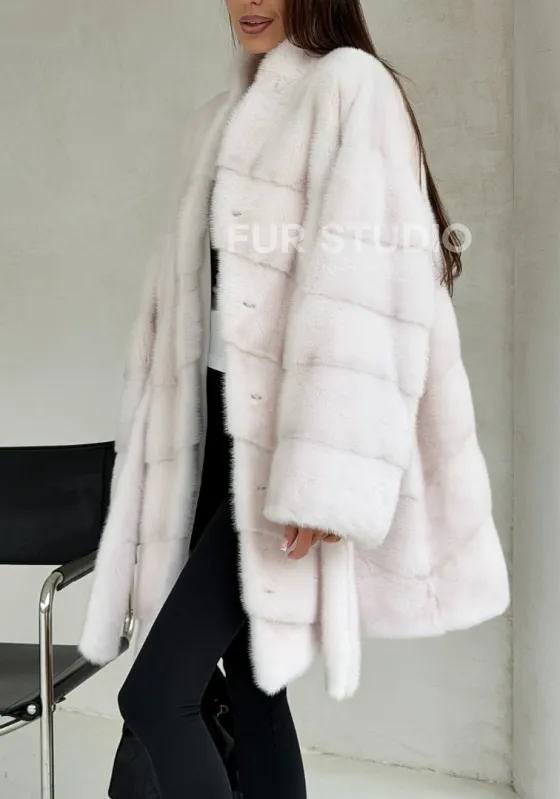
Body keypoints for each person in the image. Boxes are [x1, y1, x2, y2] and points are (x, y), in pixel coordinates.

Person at [79, 1, 511, 797]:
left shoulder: (350, 86)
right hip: (208, 433)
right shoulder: (216, 119)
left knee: (157, 695)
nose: (249, 1)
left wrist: (324, 474)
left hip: (281, 446)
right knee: (252, 684)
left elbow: (370, 294)